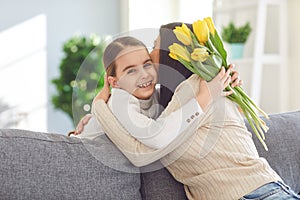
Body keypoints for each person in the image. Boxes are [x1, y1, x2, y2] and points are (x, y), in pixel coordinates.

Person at [74, 23, 300, 199]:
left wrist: (99, 107)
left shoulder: (198, 90)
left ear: (172, 54)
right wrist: (96, 120)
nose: (150, 59)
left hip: (255, 193)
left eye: (153, 48)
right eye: (132, 69)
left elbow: (141, 150)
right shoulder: (177, 101)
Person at [73, 36, 233, 149]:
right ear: (115, 83)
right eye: (131, 71)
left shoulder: (157, 95)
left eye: (147, 64)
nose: (144, 74)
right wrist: (204, 97)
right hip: (80, 154)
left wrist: (225, 80)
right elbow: (156, 136)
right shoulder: (119, 100)